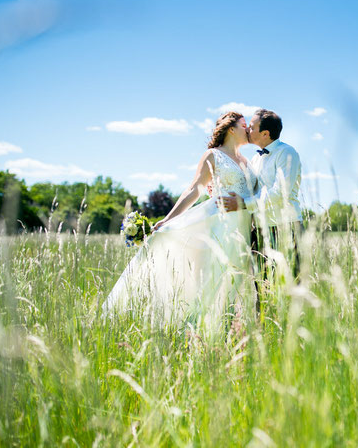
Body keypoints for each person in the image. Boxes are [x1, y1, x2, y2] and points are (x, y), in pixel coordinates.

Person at [102, 111, 257, 333]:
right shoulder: (213, 155)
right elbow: (195, 189)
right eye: (244, 126)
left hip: (242, 229)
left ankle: (229, 334)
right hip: (218, 225)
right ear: (231, 129)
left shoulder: (248, 161)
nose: (248, 130)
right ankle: (195, 335)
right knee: (213, 283)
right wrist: (168, 220)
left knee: (236, 285)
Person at [219, 109, 302, 313]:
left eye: (253, 127)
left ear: (265, 134)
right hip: (261, 230)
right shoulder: (255, 159)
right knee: (263, 288)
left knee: (291, 286)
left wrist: (244, 204)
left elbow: (278, 193)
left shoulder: (287, 153)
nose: (248, 129)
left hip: (286, 228)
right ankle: (266, 335)